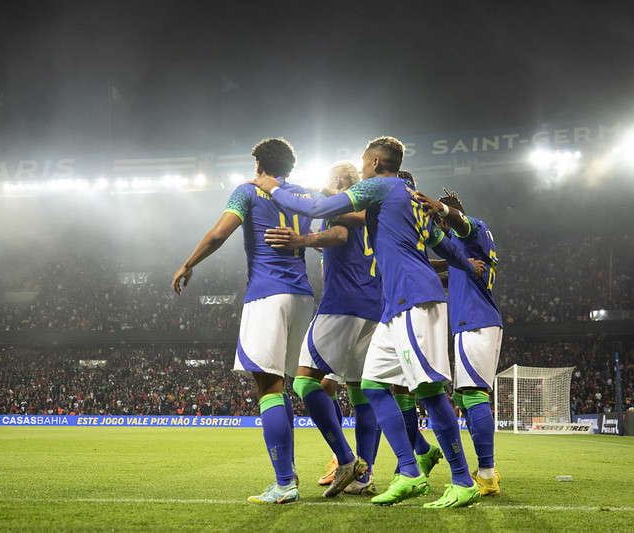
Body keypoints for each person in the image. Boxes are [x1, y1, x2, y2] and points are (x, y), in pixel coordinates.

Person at [253, 136, 485, 508]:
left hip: (414, 299)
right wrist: (465, 263)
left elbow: (324, 207)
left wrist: (275, 188)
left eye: (364, 162)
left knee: (427, 391)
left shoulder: (380, 186)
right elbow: (441, 242)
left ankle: (462, 480)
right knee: (374, 386)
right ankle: (409, 470)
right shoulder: (408, 198)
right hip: (389, 306)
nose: (361, 168)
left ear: (376, 163)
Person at [173, 138, 316, 504]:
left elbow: (220, 232)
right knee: (281, 385)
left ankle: (285, 484)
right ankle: (289, 475)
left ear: (258, 166)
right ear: (290, 168)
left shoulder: (247, 191)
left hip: (267, 294)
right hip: (303, 296)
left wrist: (189, 263)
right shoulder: (302, 194)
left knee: (267, 388)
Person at [264, 160, 380, 497]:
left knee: (304, 381)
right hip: (373, 306)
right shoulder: (372, 212)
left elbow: (340, 231)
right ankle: (364, 476)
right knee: (360, 394)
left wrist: (301, 238)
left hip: (344, 302)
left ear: (341, 180)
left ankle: (346, 459)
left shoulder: (344, 203)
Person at [416, 188, 503, 496]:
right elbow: (448, 269)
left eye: (440, 223)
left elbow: (462, 223)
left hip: (475, 323)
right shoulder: (469, 249)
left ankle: (487, 475)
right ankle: (486, 471)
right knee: (467, 397)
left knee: (474, 394)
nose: (439, 231)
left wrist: (440, 208)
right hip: (478, 322)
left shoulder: (471, 230)